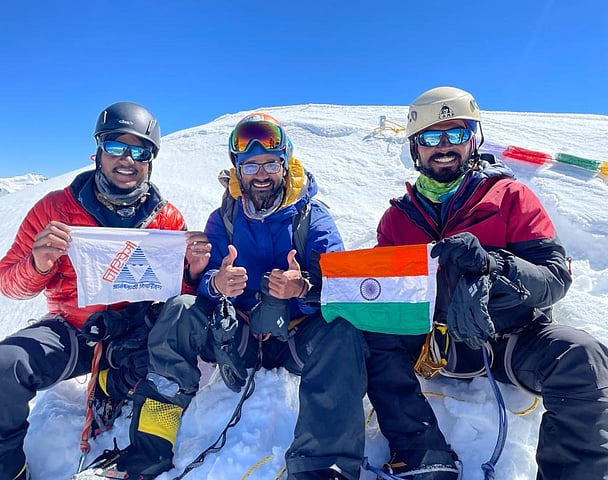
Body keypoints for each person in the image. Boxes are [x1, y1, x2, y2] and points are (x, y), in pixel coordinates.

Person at [365, 86, 608, 479]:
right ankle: (422, 451)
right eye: (431, 137)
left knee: (583, 356)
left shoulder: (510, 197)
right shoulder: (397, 220)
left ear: (473, 139)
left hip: (511, 340)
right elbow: (385, 295)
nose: (444, 146)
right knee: (365, 336)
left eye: (455, 134)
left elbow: (554, 277)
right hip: (436, 344)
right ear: (415, 148)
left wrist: (495, 267)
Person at [0, 101, 210, 480]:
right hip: (74, 329)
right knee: (2, 368)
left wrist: (192, 274)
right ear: (98, 151)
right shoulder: (55, 209)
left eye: (140, 151)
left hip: (137, 332)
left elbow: (171, 291)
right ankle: (4, 472)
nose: (127, 159)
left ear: (151, 161)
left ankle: (112, 386)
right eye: (116, 146)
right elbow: (8, 284)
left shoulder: (167, 218)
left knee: (171, 365)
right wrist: (38, 263)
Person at [146, 113, 368, 480]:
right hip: (240, 338)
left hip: (298, 339)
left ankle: (323, 466)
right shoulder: (224, 219)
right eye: (250, 165)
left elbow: (341, 288)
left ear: (286, 165)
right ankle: (149, 446)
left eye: (270, 163)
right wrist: (217, 284)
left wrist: (303, 288)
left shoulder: (313, 218)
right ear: (237, 169)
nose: (260, 174)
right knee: (181, 309)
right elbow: (205, 282)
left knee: (345, 331)